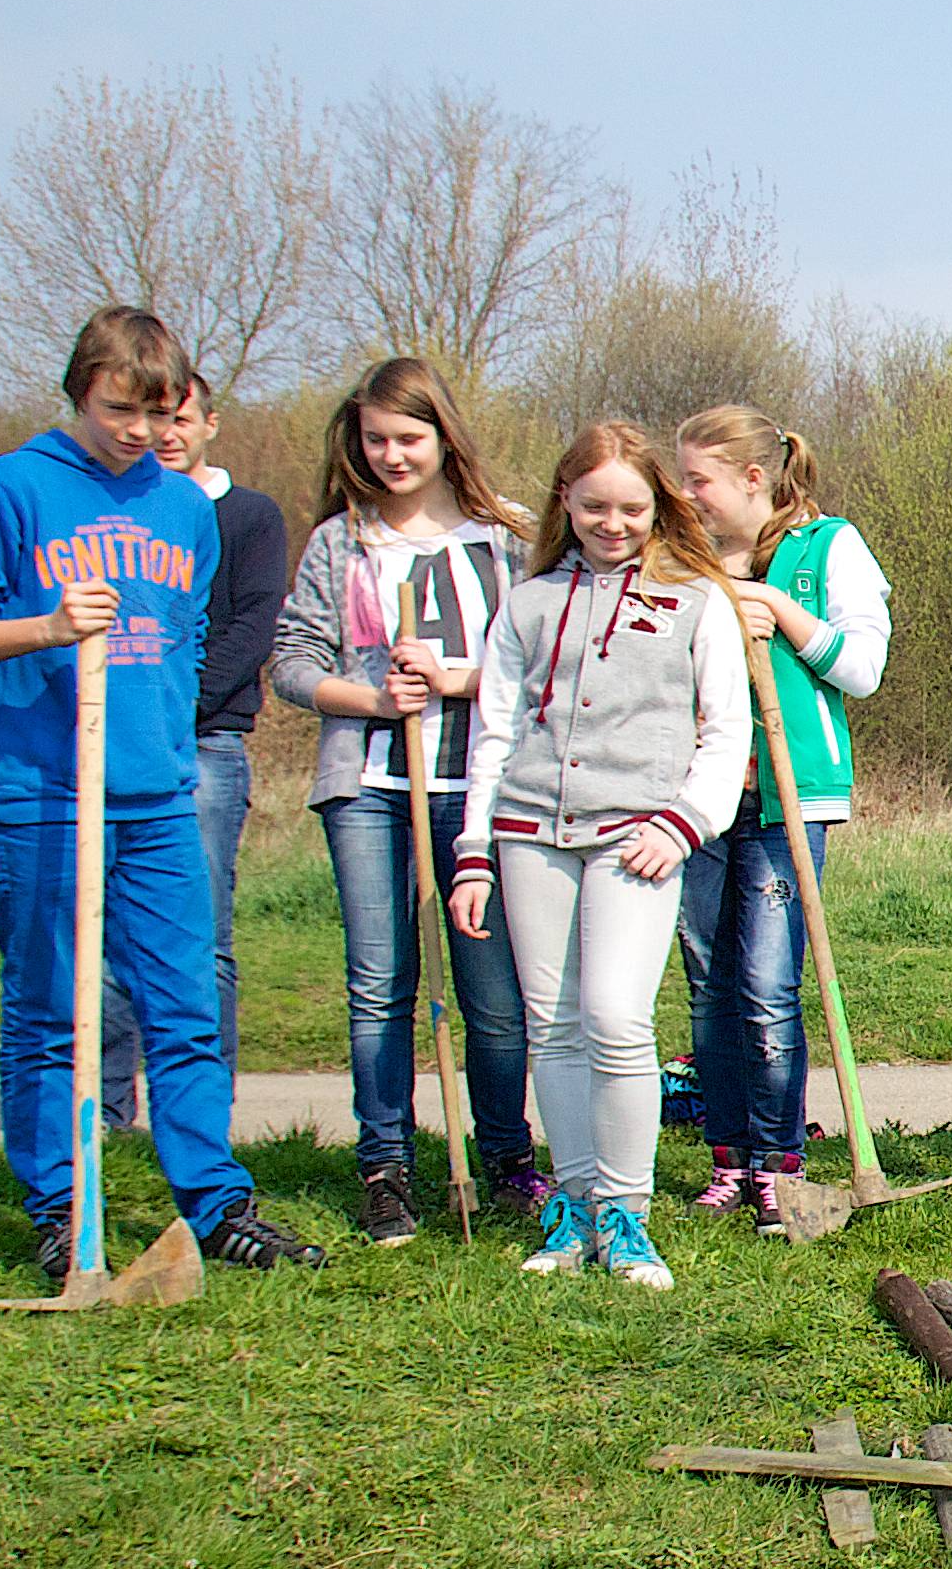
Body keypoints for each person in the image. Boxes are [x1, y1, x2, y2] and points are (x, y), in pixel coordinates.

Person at [0, 308, 326, 1281]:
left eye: (158, 411)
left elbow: (183, 633)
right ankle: (63, 1205)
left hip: (156, 793)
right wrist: (45, 626)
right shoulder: (13, 488)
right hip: (47, 791)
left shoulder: (182, 505)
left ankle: (216, 1204)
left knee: (185, 1004)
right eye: (118, 410)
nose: (138, 431)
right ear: (76, 390)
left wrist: (173, 741)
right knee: (53, 1009)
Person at [449, 420, 751, 1292]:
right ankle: (575, 1205)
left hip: (640, 837)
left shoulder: (696, 600)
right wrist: (475, 849)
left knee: (618, 1017)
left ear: (657, 505)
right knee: (555, 1026)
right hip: (529, 832)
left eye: (630, 507)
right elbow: (495, 730)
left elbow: (725, 732)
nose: (612, 524)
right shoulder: (530, 601)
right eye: (593, 507)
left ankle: (628, 1213)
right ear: (565, 504)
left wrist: (683, 821)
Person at [273, 354, 540, 1245]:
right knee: (379, 982)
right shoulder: (339, 543)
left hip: (483, 785)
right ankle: (385, 1164)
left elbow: (535, 663)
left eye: (409, 437)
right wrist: (377, 699)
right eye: (376, 439)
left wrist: (455, 679)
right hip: (369, 785)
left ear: (443, 437)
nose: (392, 455)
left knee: (493, 992)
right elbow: (293, 664)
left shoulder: (506, 538)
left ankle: (506, 1155)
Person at [668, 404, 894, 1222]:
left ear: (752, 478)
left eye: (699, 479)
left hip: (790, 795)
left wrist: (779, 611)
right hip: (698, 796)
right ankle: (729, 1157)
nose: (685, 493)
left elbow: (864, 667)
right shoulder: (682, 558)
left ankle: (779, 1160)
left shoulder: (826, 546)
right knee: (709, 982)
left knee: (768, 981)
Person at [101, 361, 286, 1132]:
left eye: (181, 418)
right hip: (112, 745)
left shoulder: (246, 515)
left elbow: (248, 628)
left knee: (200, 935)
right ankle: (106, 1106)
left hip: (204, 742)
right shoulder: (115, 510)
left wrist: (171, 705)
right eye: (149, 415)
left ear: (209, 425)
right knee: (107, 934)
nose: (164, 432)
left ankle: (201, 1112)